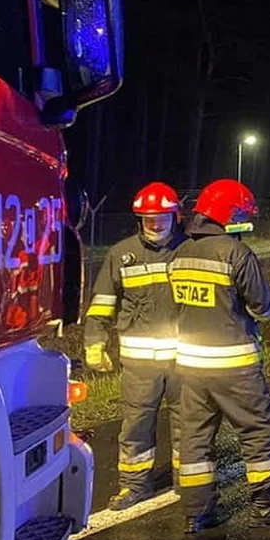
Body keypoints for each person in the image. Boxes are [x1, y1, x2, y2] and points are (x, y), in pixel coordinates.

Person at [171, 179, 270, 533]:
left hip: (191, 366)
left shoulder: (180, 252)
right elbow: (265, 308)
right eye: (243, 215)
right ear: (229, 215)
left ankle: (197, 514)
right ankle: (266, 505)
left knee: (195, 439)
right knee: (259, 431)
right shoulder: (235, 253)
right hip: (234, 366)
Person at [83, 182, 184, 510]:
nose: (155, 224)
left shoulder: (191, 250)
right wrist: (94, 343)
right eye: (148, 218)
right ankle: (135, 486)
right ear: (140, 218)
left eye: (161, 218)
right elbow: (102, 303)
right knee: (137, 424)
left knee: (189, 420)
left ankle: (190, 482)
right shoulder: (121, 254)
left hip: (185, 358)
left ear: (174, 215)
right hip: (139, 363)